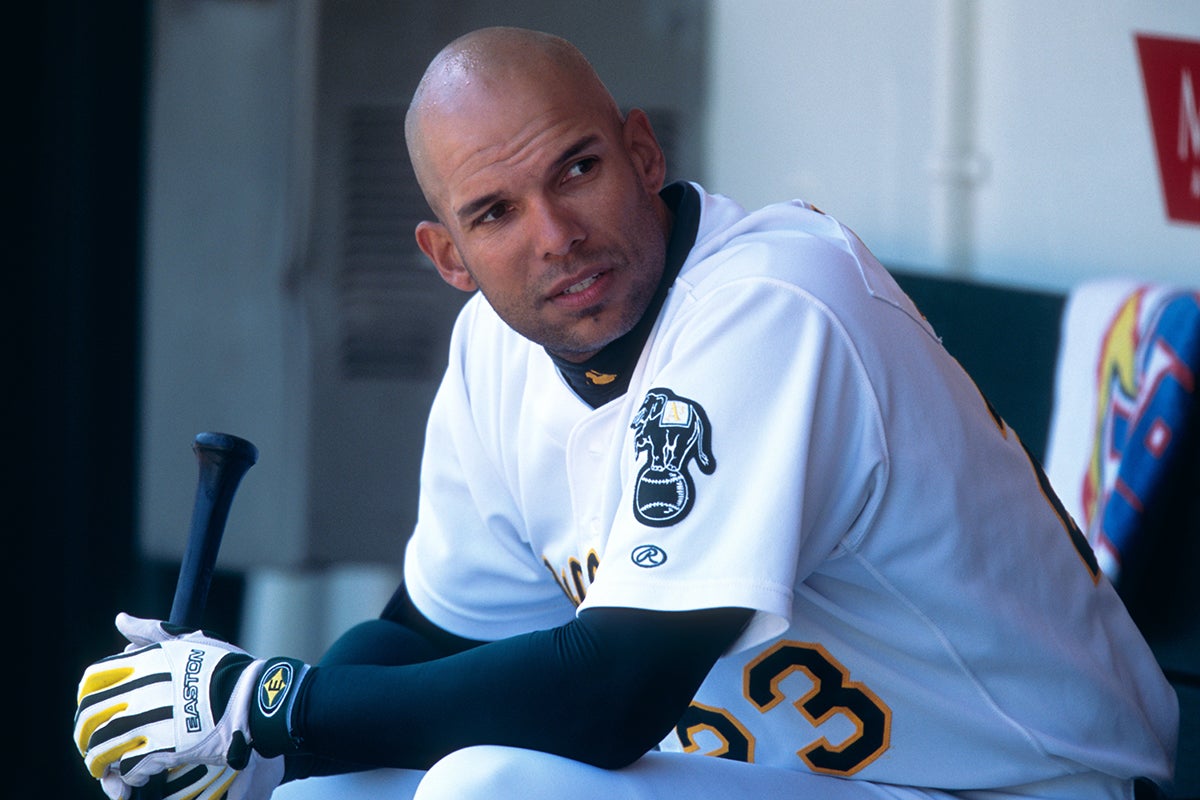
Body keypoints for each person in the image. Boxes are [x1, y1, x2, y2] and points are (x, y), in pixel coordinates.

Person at [73, 26, 1178, 800]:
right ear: (449, 257)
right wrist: (245, 738)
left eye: (579, 168)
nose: (554, 234)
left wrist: (279, 704)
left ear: (644, 154)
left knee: (487, 785)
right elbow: (428, 633)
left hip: (1012, 779)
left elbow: (610, 692)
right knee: (328, 788)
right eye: (497, 212)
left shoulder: (771, 301)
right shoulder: (497, 353)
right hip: (783, 778)